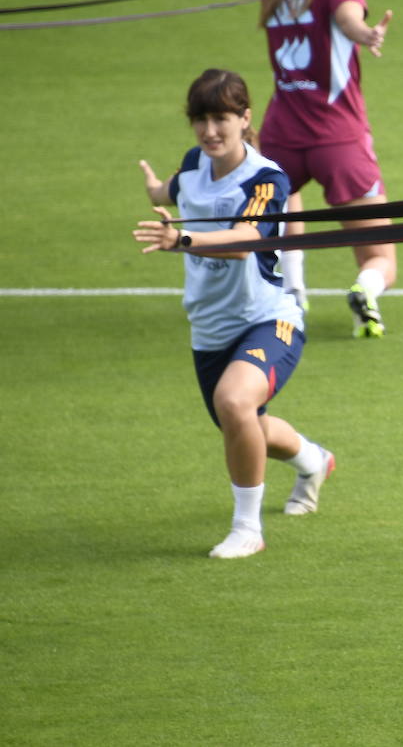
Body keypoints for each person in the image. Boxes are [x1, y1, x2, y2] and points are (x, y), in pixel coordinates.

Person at [134, 69, 336, 559]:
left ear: (245, 119)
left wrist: (182, 238)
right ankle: (314, 459)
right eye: (201, 120)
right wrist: (156, 191)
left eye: (221, 118)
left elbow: (246, 242)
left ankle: (247, 530)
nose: (210, 131)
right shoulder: (193, 165)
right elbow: (174, 191)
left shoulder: (268, 179)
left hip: (270, 319)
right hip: (210, 329)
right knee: (246, 425)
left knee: (234, 401)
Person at [258, 0, 397, 338]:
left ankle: (294, 290)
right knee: (380, 256)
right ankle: (365, 291)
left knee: (286, 196)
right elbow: (348, 17)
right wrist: (367, 34)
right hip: (339, 139)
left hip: (281, 137)